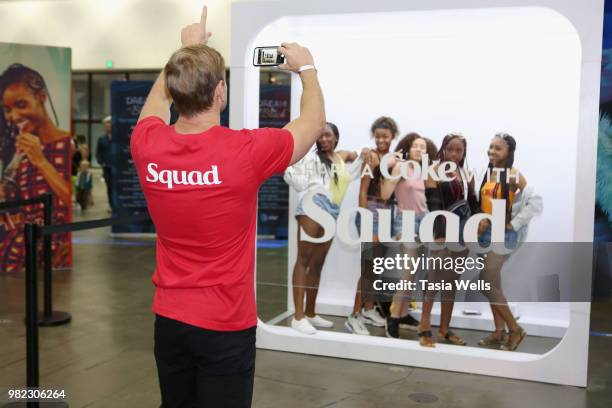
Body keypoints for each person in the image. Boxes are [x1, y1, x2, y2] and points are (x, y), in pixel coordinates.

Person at [130, 7, 324, 407]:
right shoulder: (245, 151)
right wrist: (307, 68)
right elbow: (312, 124)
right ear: (220, 92)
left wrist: (185, 50)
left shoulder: (146, 143)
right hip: (225, 324)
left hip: (170, 320)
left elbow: (156, 101)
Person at [284, 122, 363, 335]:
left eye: (328, 136)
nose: (324, 140)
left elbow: (356, 159)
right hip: (313, 205)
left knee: (317, 264)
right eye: (320, 136)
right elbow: (297, 182)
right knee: (304, 260)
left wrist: (358, 153)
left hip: (333, 211)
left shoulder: (340, 158)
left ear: (336, 138)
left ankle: (310, 314)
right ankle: (298, 317)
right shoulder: (309, 158)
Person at [0, 63, 71, 273]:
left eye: (21, 104)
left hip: (52, 254)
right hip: (19, 253)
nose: (14, 116)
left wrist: (40, 161)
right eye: (7, 110)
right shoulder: (20, 154)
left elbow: (68, 199)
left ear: (41, 97)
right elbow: (22, 211)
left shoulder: (66, 144)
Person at [476, 133, 542, 351]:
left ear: (509, 153)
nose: (492, 151)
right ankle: (498, 331)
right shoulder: (490, 172)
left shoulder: (513, 175)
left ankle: (515, 329)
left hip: (503, 236)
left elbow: (535, 201)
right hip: (485, 235)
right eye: (491, 147)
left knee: (485, 281)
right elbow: (485, 203)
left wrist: (514, 223)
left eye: (498, 148)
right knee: (493, 283)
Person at [418, 133, 480, 347]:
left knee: (452, 282)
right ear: (444, 149)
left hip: (463, 234)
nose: (454, 154)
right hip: (442, 233)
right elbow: (434, 205)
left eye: (459, 150)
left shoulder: (466, 173)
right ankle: (424, 326)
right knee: (434, 279)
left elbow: (473, 204)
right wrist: (440, 234)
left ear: (464, 152)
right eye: (451, 149)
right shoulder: (433, 171)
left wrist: (479, 224)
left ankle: (444, 328)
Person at [379, 133, 437, 338]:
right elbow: (385, 195)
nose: (420, 150)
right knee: (407, 272)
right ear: (408, 148)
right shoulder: (400, 167)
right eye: (416, 146)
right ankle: (393, 317)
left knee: (412, 273)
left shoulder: (426, 172)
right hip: (406, 220)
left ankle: (403, 314)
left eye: (424, 147)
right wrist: (392, 165)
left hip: (424, 221)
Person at [345, 116, 398, 336]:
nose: (381, 139)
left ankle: (368, 309)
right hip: (371, 214)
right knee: (368, 268)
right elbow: (363, 190)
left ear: (393, 136)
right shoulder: (372, 157)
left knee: (377, 266)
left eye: (385, 136)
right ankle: (354, 316)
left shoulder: (394, 158)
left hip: (388, 214)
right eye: (377, 136)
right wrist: (365, 218)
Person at [96, 116, 113, 212]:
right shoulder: (101, 139)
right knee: (109, 187)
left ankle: (117, 205)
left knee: (117, 187)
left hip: (117, 168)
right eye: (107, 124)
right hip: (106, 168)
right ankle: (111, 206)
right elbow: (98, 154)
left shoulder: (117, 139)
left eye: (110, 124)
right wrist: (102, 163)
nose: (109, 126)